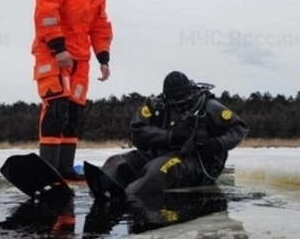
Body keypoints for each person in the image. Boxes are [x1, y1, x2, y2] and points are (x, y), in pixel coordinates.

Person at [97, 71, 248, 201]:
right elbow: (136, 131)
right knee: (116, 161)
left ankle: (129, 198)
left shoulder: (208, 106)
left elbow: (239, 128)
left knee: (159, 169)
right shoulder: (155, 106)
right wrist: (170, 136)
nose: (180, 105)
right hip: (159, 153)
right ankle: (102, 186)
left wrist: (217, 143)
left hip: (194, 161)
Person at [32, 0, 113, 180]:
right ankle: (49, 171)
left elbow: (100, 28)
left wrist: (103, 58)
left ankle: (65, 169)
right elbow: (46, 13)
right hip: (53, 52)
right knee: (56, 108)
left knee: (72, 114)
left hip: (81, 59)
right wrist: (58, 47)